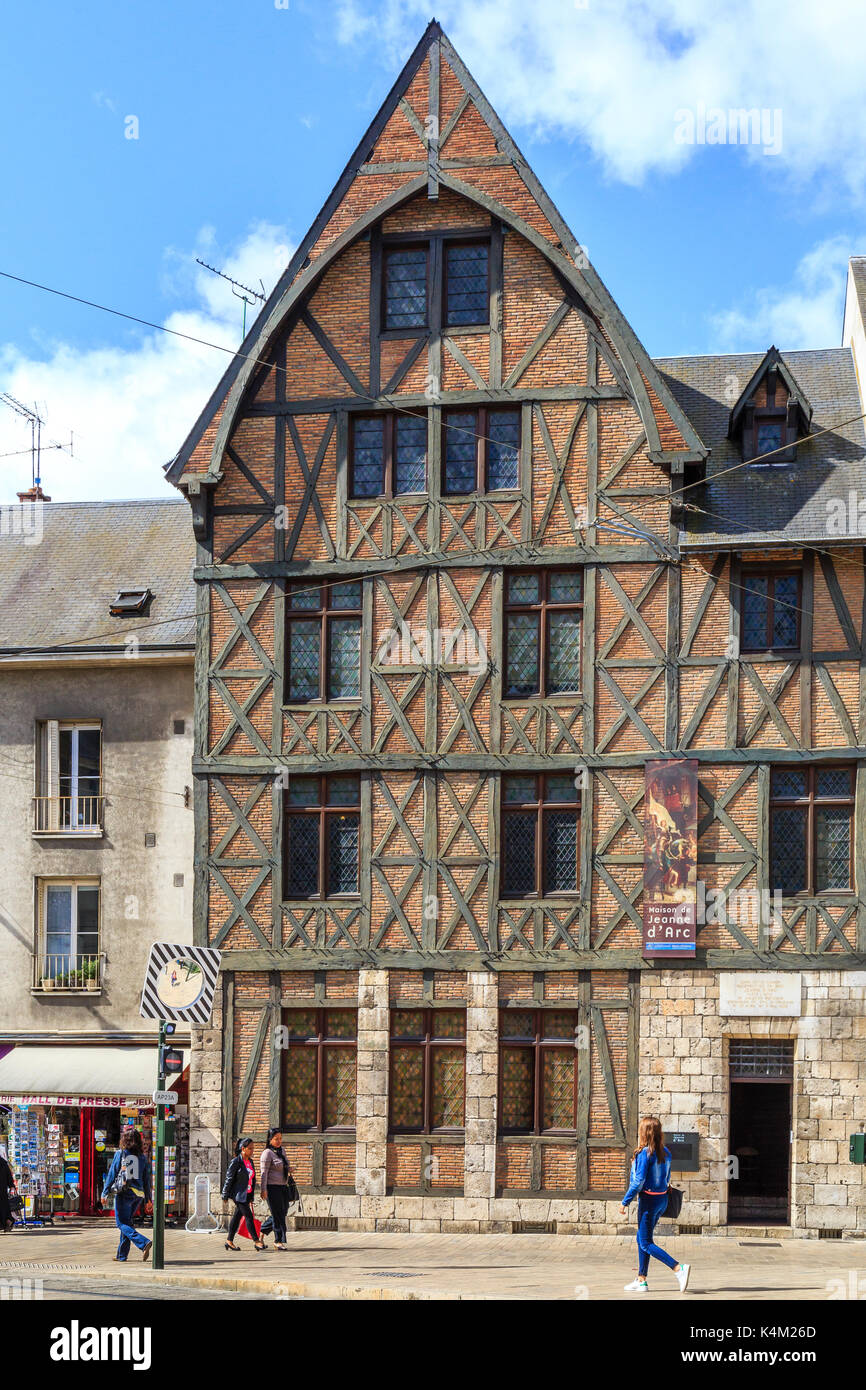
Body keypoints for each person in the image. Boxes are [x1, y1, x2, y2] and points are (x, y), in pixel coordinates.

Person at [620, 1115, 690, 1293]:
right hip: (662, 1200)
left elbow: (638, 1182)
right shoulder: (666, 1152)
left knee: (645, 1242)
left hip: (649, 1201)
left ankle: (677, 1268)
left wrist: (625, 1202)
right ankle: (641, 1280)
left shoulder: (644, 1153)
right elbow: (667, 1178)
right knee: (641, 1238)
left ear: (645, 1133)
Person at [101, 1129, 152, 1263]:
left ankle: (143, 1242)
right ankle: (121, 1255)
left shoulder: (121, 1153)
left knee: (121, 1223)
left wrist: (105, 1192)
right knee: (127, 1222)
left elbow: (112, 1173)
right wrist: (148, 1199)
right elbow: (147, 1179)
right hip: (138, 1195)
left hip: (125, 1192)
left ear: (125, 1140)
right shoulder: (142, 1157)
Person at [222, 1137, 265, 1251]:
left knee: (237, 1217)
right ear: (243, 1149)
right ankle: (256, 1241)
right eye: (250, 1148)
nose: (252, 1151)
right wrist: (225, 1194)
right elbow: (229, 1178)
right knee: (249, 1216)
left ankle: (229, 1240)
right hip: (238, 1195)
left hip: (247, 1194)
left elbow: (252, 1179)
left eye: (253, 1148)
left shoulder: (250, 1162)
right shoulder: (236, 1162)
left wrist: (251, 1196)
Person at [260, 1128, 291, 1251]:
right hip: (272, 1188)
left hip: (283, 1186)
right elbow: (264, 1173)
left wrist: (289, 1169)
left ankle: (262, 1230)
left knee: (282, 1212)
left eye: (280, 1138)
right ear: (270, 1139)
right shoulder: (267, 1153)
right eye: (276, 1139)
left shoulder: (282, 1151)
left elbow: (285, 1165)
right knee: (277, 1215)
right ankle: (278, 1240)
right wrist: (263, 1189)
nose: (279, 1141)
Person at [0, 1152, 17, 1232]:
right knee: (4, 1208)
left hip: (2, 1190)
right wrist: (11, 1186)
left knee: (3, 1209)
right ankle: (8, 1221)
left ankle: (8, 1222)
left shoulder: (3, 1163)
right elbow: (9, 1176)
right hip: (2, 1191)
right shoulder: (3, 1163)